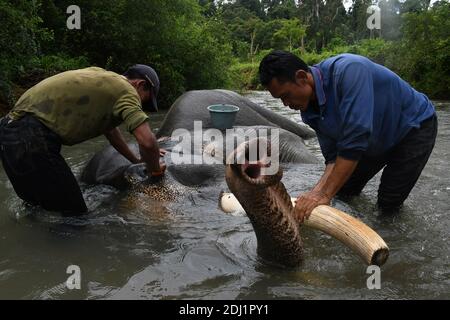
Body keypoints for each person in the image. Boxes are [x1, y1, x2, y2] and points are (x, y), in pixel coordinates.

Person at [259, 50, 437, 221]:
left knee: (388, 204)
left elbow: (355, 141)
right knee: (344, 192)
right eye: (280, 100)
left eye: (286, 96)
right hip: (374, 136)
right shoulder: (309, 112)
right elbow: (333, 158)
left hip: (413, 128)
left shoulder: (350, 71)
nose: (286, 104)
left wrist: (324, 194)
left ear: (301, 77)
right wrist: (316, 193)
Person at [0, 64, 166, 215]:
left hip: (8, 130)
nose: (142, 105)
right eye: (145, 99)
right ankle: (64, 248)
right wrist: (154, 172)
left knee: (35, 207)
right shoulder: (127, 91)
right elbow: (147, 142)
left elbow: (112, 134)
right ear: (141, 84)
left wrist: (136, 160)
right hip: (32, 136)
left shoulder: (100, 76)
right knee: (75, 214)